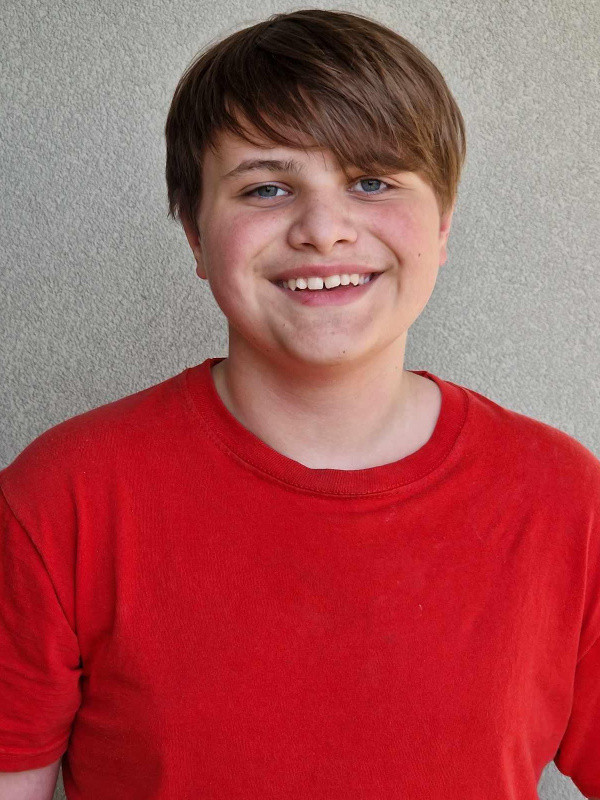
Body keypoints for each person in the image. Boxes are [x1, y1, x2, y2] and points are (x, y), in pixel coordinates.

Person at [1, 8, 599, 799]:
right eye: (267, 187)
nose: (324, 229)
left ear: (443, 222)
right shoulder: (63, 495)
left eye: (372, 181)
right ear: (195, 233)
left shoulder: (563, 497)